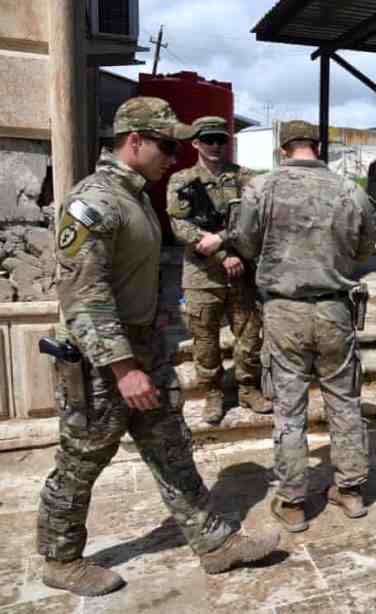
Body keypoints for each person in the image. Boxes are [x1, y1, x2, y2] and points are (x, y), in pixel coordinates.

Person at [38, 97, 280, 597]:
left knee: (172, 450)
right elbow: (84, 295)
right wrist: (124, 368)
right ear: (134, 141)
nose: (175, 156)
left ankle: (215, 543)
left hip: (144, 350)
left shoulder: (135, 196)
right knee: (81, 460)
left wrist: (157, 334)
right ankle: (60, 560)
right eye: (167, 146)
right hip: (102, 363)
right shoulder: (94, 201)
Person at [231, 120, 376, 533]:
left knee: (289, 410)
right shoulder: (350, 191)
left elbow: (245, 243)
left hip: (285, 312)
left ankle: (293, 502)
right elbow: (365, 247)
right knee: (344, 403)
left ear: (283, 150)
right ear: (318, 147)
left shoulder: (261, 188)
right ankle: (351, 491)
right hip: (335, 311)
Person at [167, 115, 266, 424]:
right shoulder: (182, 180)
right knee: (205, 341)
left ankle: (248, 388)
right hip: (202, 275)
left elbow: (258, 217)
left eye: (221, 140)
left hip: (242, 272)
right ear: (195, 143)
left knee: (249, 337)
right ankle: (213, 393)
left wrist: (223, 240)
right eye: (208, 140)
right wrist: (223, 256)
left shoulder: (244, 177)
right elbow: (180, 227)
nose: (215, 146)